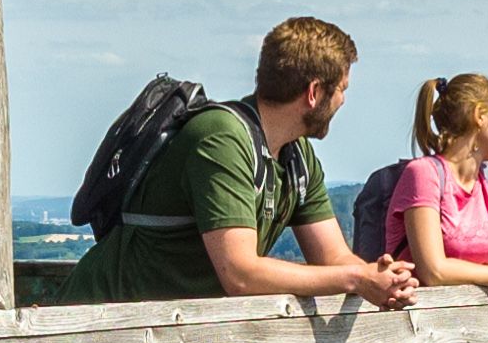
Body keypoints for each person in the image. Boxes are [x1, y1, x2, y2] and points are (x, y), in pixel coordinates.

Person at [86, 20, 413, 308]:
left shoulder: (296, 156)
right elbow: (240, 273)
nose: (343, 100)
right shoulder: (221, 137)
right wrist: (357, 278)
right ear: (314, 92)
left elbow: (333, 258)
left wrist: (379, 277)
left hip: (156, 331)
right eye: (341, 89)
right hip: (96, 325)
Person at [363, 74, 488, 320]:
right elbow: (433, 271)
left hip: (471, 328)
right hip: (416, 328)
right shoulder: (424, 174)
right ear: (479, 117)